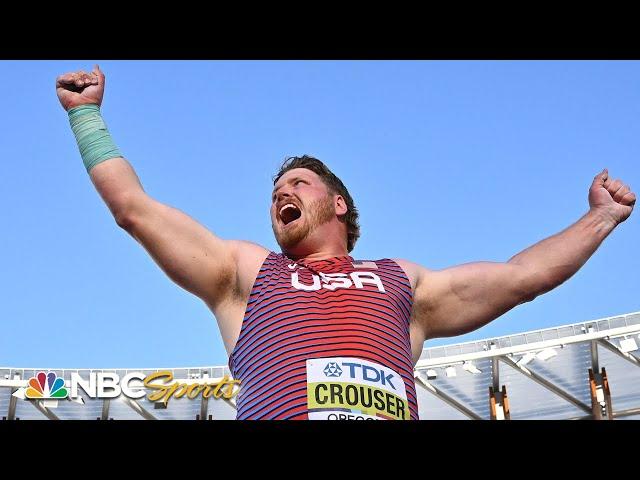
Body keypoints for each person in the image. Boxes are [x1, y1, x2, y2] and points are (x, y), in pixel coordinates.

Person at [56, 65, 636, 420]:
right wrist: (87, 118)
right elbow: (133, 210)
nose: (281, 192)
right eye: (275, 190)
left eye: (297, 183)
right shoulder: (245, 274)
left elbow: (521, 277)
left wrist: (602, 217)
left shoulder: (402, 283)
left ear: (337, 204)